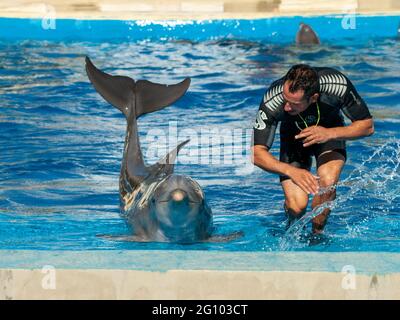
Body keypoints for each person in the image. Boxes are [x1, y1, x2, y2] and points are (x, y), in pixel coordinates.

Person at [251, 64, 374, 234]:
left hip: (330, 131)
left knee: (327, 184)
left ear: (314, 98)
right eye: (285, 99)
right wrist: (291, 171)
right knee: (297, 206)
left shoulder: (337, 85)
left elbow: (367, 126)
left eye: (293, 103)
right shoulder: (274, 98)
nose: (286, 107)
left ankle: (317, 235)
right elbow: (257, 154)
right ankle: (291, 229)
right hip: (293, 139)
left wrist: (329, 134)